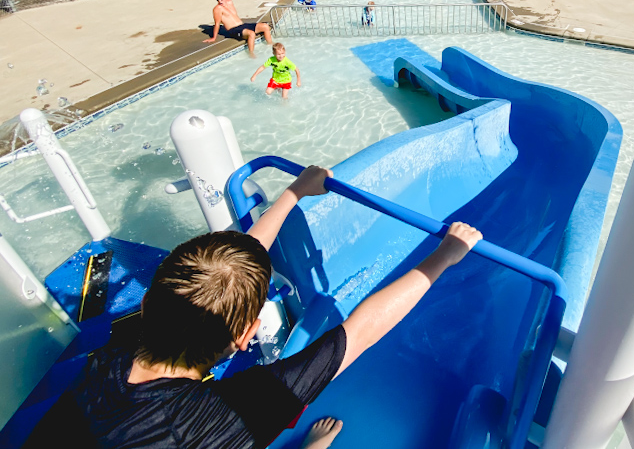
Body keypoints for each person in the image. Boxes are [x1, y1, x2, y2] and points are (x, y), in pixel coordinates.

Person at [24, 165, 484, 448]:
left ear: (150, 299)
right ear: (246, 338)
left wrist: (294, 192)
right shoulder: (224, 417)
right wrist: (446, 254)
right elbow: (359, 332)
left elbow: (233, 265)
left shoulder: (116, 349)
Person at [204, 0, 273, 56]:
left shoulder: (230, 2)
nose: (219, 1)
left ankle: (270, 46)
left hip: (242, 25)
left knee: (265, 26)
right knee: (251, 34)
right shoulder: (217, 9)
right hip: (233, 30)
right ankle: (251, 54)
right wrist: (214, 37)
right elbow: (217, 24)